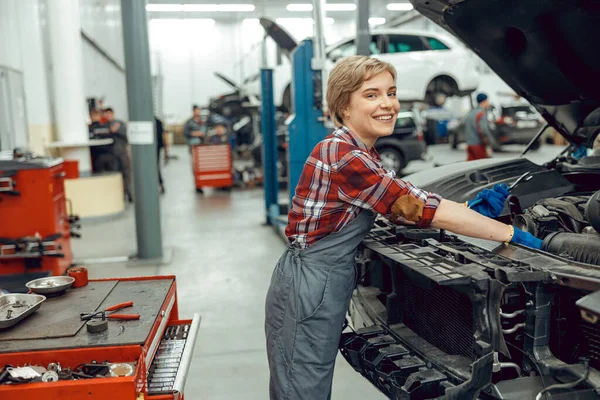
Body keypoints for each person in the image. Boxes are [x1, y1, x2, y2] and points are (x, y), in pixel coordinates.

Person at [264, 56, 543, 400]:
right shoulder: (345, 156)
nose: (387, 104)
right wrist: (509, 234)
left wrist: (469, 210)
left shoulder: (360, 151)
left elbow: (403, 200)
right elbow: (416, 208)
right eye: (371, 95)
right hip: (311, 282)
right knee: (301, 390)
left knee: (308, 382)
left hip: (320, 278)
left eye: (391, 93)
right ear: (344, 106)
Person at [464, 93, 493, 161]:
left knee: (471, 167)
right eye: (487, 101)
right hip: (478, 145)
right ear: (484, 101)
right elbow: (484, 130)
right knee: (482, 166)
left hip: (469, 144)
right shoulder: (481, 114)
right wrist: (488, 144)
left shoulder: (470, 113)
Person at [155, 116, 165, 194]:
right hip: (155, 147)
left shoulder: (157, 122)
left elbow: (161, 136)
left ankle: (160, 184)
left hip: (156, 148)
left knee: (155, 166)